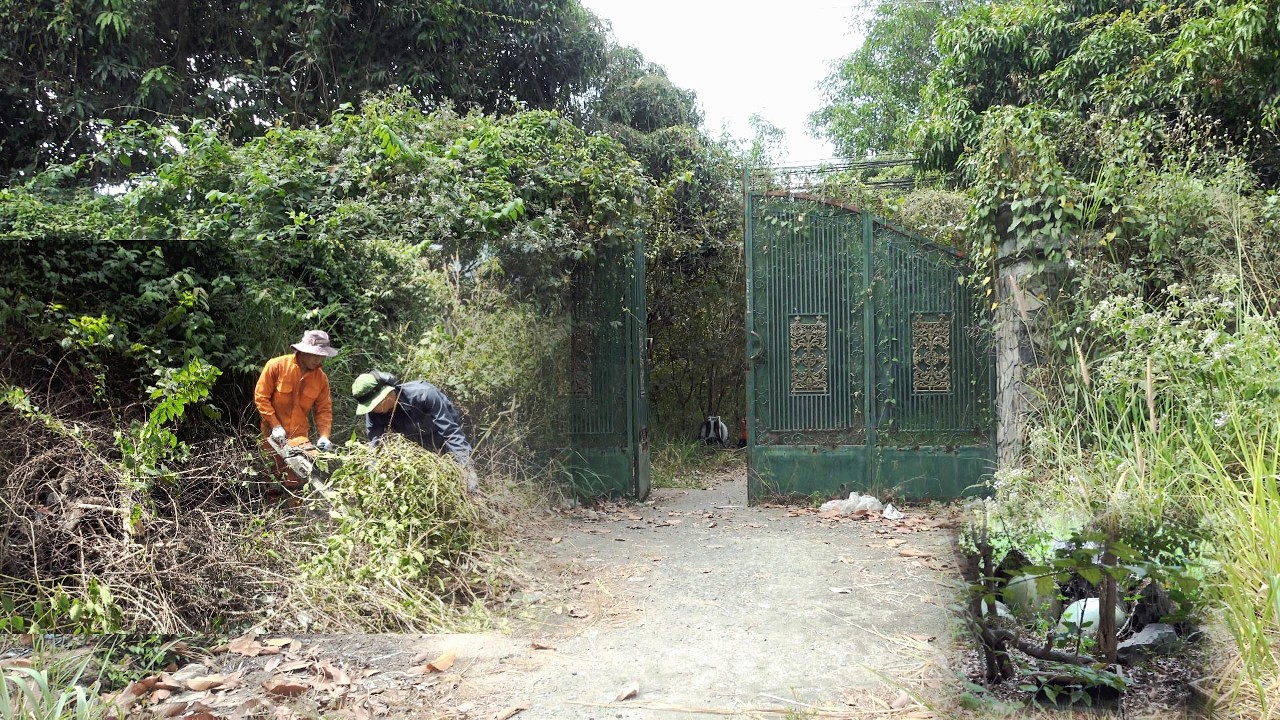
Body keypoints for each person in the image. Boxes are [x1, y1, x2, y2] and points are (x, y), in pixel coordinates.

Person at [352, 370, 478, 491]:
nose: (373, 410)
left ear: (386, 394)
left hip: (443, 437)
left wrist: (467, 467)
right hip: (418, 446)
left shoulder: (424, 395)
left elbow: (451, 433)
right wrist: (371, 477)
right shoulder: (373, 413)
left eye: (374, 405)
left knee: (459, 478)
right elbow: (375, 446)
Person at [254, 329, 338, 488]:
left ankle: (297, 511)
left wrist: (324, 436)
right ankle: (272, 510)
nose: (318, 359)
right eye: (314, 354)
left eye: (322, 355)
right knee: (271, 479)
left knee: (299, 478)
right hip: (272, 435)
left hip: (299, 437)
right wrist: (274, 424)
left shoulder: (321, 379)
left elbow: (324, 410)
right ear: (303, 351)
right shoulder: (277, 366)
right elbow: (261, 397)